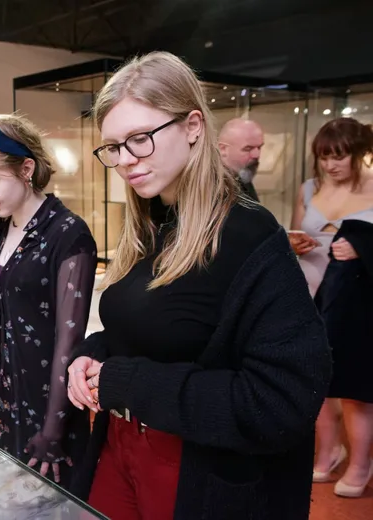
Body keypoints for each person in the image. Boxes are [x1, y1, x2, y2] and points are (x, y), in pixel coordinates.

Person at [65, 51, 332, 520]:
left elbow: (282, 403)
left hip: (197, 471)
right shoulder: (150, 223)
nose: (125, 160)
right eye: (113, 146)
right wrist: (97, 352)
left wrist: (128, 382)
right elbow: (156, 329)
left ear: (192, 127)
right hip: (120, 446)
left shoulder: (247, 233)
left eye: (140, 139)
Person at [0, 114, 97, 487]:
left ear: (26, 169)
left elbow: (69, 341)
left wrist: (52, 430)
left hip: (44, 399)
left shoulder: (69, 234)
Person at [290, 117, 373, 497]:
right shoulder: (309, 188)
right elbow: (293, 232)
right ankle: (327, 452)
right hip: (309, 292)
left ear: (359, 154)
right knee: (316, 383)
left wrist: (363, 247)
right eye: (324, 157)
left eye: (339, 156)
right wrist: (292, 242)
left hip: (356, 301)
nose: (331, 165)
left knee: (356, 388)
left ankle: (361, 464)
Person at [218, 117, 265, 201]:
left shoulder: (242, 178)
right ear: (223, 149)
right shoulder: (211, 186)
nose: (256, 155)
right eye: (248, 149)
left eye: (259, 147)